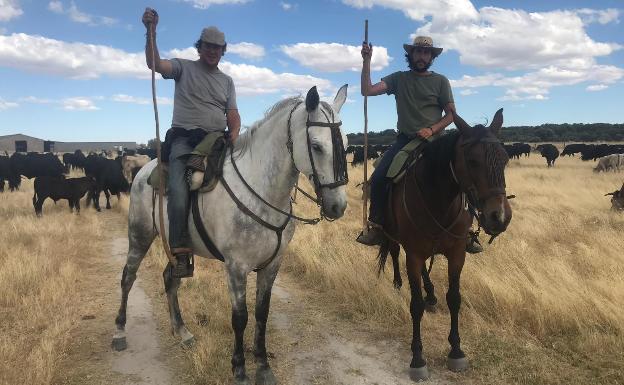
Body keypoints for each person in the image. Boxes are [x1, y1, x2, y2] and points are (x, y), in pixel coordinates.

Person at [356, 36, 482, 253]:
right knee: (378, 178)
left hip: (438, 142)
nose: (422, 56)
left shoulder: (441, 81)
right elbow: (367, 90)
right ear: (411, 54)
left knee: (465, 174)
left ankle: (469, 229)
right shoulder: (399, 79)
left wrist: (432, 129)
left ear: (432, 57)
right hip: (406, 140)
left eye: (426, 53)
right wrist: (366, 61)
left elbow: (451, 114)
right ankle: (376, 225)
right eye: (418, 52)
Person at [142, 8, 241, 277]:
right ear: (200, 48)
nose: (213, 51)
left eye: (218, 47)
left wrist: (234, 132)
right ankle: (181, 250)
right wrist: (150, 33)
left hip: (216, 140)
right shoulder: (183, 67)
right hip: (184, 139)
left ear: (223, 50)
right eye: (208, 46)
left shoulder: (227, 81)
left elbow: (232, 114)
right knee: (178, 187)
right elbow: (155, 64)